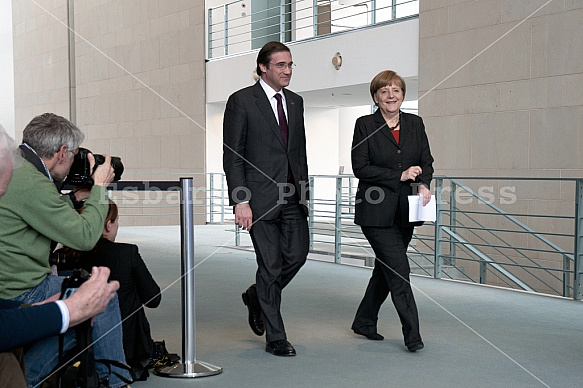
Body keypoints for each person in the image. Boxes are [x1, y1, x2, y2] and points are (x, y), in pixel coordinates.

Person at [0, 114, 132, 387]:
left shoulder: (18, 165)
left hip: (8, 283)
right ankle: (115, 381)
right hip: (20, 288)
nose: (75, 161)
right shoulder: (33, 182)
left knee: (80, 301)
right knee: (101, 295)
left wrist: (72, 199)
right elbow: (84, 237)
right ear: (61, 153)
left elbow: (37, 210)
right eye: (74, 155)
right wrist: (100, 187)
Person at [223, 41, 310, 357]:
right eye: (280, 65)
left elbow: (298, 152)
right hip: (258, 199)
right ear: (263, 67)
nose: (287, 71)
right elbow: (232, 156)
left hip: (292, 197)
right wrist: (240, 200)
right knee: (271, 266)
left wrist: (305, 193)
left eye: (290, 65)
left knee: (298, 255)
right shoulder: (241, 101)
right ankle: (276, 337)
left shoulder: (296, 103)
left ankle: (256, 295)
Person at [350, 70, 434, 352]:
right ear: (376, 96)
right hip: (375, 211)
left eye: (396, 90)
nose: (391, 96)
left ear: (403, 95)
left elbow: (426, 161)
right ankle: (413, 335)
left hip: (406, 210)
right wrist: (398, 176)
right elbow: (360, 167)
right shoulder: (364, 124)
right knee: (399, 269)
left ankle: (364, 321)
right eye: (384, 91)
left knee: (385, 268)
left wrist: (424, 183)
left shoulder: (415, 123)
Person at [64, 199, 162, 380]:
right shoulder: (127, 253)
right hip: (127, 351)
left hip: (75, 350)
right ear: (109, 225)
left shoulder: (67, 255)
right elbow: (154, 299)